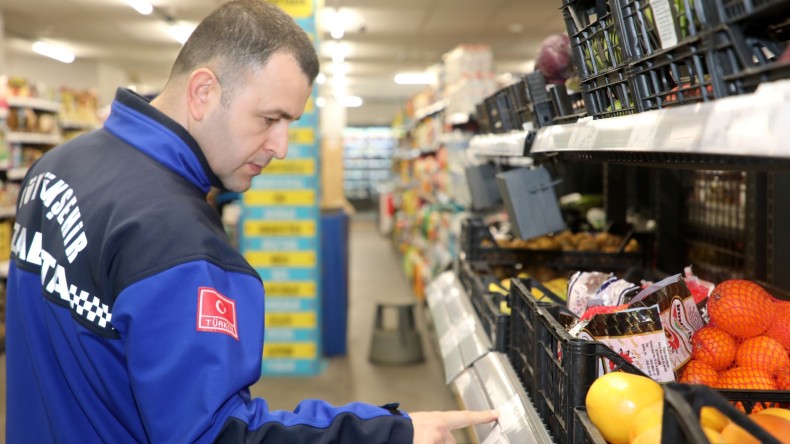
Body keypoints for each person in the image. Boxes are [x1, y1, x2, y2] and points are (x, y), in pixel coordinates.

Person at [4, 1, 498, 443]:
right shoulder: (176, 241)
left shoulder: (56, 167)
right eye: (269, 119)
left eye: (291, 124)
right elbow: (217, 435)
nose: (281, 147)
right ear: (203, 92)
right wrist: (392, 433)